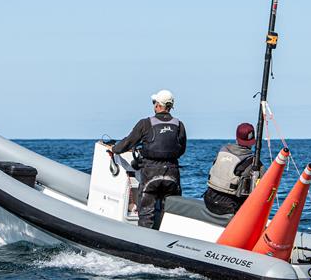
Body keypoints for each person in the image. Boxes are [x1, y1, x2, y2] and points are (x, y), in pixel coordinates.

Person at [109, 89, 187, 229]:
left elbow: (128, 142)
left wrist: (113, 149)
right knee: (169, 214)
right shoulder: (179, 125)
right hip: (172, 174)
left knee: (146, 213)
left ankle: (144, 242)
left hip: (151, 173)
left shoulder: (145, 123)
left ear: (157, 105)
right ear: (170, 107)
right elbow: (181, 150)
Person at [203, 122, 262, 215]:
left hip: (208, 200)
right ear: (252, 141)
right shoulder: (254, 163)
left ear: (236, 138)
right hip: (228, 208)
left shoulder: (223, 150)